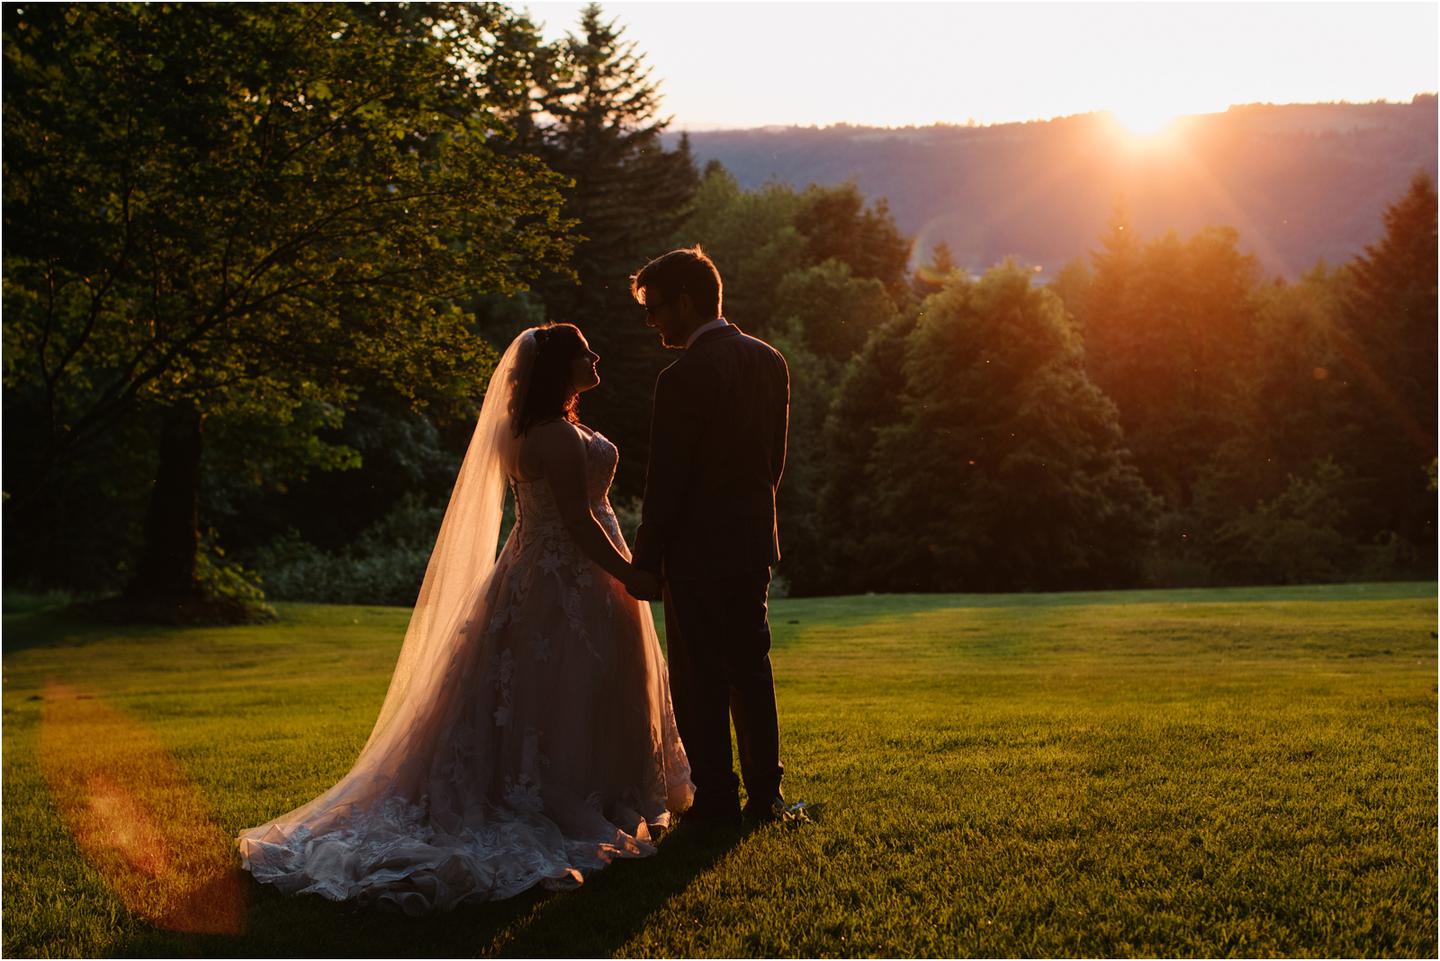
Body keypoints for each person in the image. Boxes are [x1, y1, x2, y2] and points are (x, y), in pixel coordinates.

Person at [237, 323, 693, 915]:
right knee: (566, 688)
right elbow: (578, 523)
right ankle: (564, 796)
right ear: (559, 368)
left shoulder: (539, 430)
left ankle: (597, 789)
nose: (595, 355)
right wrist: (631, 573)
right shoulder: (553, 436)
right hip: (567, 581)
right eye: (585, 351)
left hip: (555, 574)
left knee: (565, 690)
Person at [627, 246, 791, 825]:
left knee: (698, 679)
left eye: (656, 309)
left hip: (695, 552)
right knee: (751, 668)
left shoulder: (682, 377)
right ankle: (765, 797)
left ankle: (717, 800)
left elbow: (665, 481)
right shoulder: (770, 360)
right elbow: (774, 462)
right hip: (750, 544)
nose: (652, 322)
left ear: (688, 302)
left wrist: (646, 558)